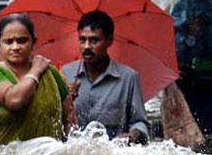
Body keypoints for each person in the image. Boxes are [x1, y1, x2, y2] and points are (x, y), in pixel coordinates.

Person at [0, 13, 76, 145]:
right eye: (8, 42)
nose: (15, 47)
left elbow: (70, 120)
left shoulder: (50, 73)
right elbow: (14, 100)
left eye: (22, 40)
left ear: (33, 42)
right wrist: (36, 71)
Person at [61, 10, 149, 144]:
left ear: (109, 40)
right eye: (82, 39)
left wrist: (133, 135)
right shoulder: (66, 73)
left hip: (113, 153)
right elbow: (55, 121)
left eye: (94, 40)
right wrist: (67, 102)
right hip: (75, 153)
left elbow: (140, 122)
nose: (86, 47)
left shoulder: (128, 78)